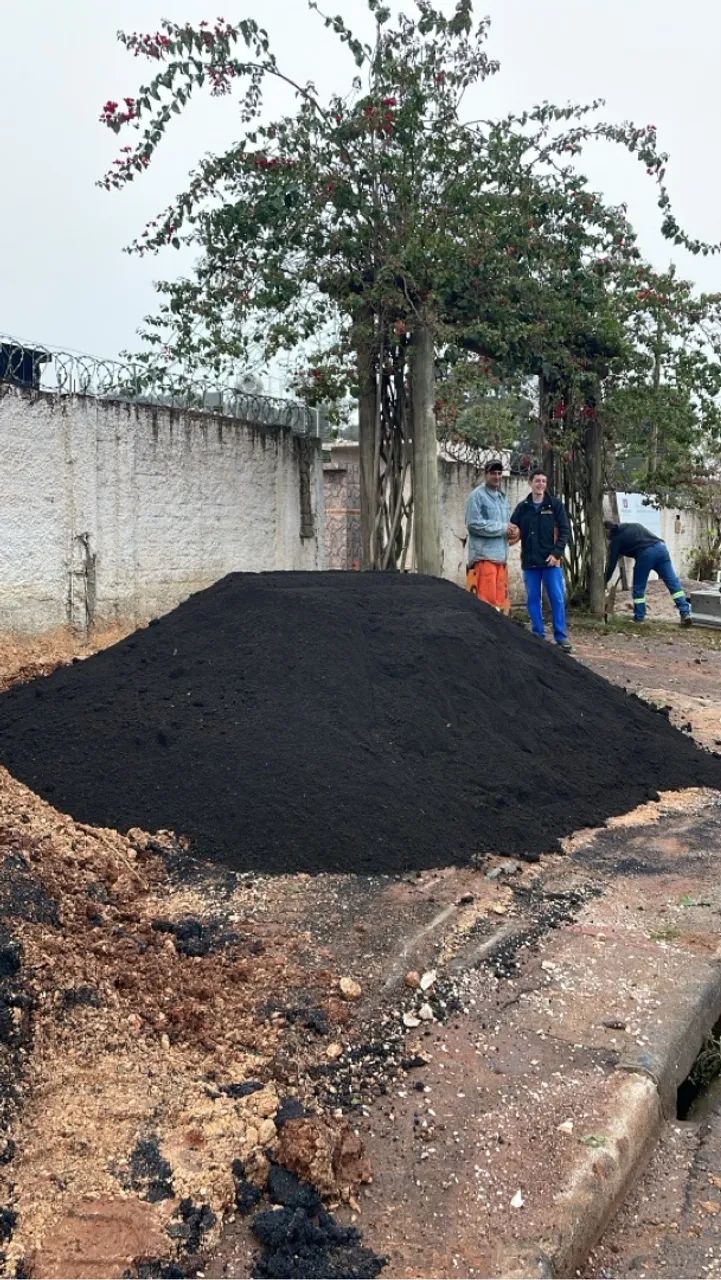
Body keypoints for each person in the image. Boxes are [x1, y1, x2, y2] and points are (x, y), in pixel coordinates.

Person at [509, 469, 573, 652]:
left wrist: (557, 554)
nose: (540, 484)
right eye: (537, 481)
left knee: (557, 598)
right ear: (530, 483)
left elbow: (565, 531)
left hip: (550, 561)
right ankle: (538, 634)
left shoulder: (555, 505)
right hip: (530, 562)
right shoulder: (523, 507)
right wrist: (511, 533)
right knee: (533, 598)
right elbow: (513, 528)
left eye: (544, 481)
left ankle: (561, 636)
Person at [603, 520, 692, 625]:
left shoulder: (616, 540)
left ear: (608, 531)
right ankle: (685, 613)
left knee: (638, 587)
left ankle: (639, 617)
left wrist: (604, 581)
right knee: (673, 583)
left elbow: (611, 565)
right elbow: (634, 543)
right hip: (661, 549)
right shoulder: (632, 526)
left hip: (646, 555)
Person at [464, 459, 515, 613]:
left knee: (500, 606)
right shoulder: (477, 496)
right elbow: (473, 525)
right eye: (493, 473)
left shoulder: (502, 497)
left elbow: (506, 524)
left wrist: (513, 531)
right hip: (485, 559)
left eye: (499, 473)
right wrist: (503, 528)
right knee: (486, 606)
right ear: (485, 474)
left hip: (501, 559)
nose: (497, 476)